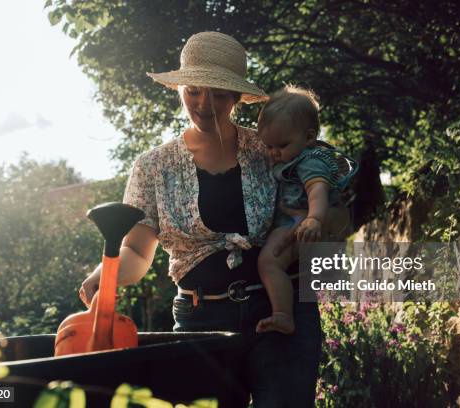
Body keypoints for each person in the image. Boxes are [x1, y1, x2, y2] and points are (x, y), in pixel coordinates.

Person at [78, 32, 321, 408]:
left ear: (238, 96)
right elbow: (137, 253)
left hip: (279, 314)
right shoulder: (152, 167)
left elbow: (325, 182)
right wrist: (104, 274)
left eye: (219, 94)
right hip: (200, 321)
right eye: (193, 91)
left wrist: (325, 217)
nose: (204, 104)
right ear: (180, 88)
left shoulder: (270, 147)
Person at [255, 85, 341, 335]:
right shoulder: (293, 156)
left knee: (269, 262)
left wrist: (313, 219)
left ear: (309, 137)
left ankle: (282, 314)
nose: (274, 153)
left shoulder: (310, 161)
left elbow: (317, 190)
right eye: (269, 146)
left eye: (281, 145)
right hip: (295, 223)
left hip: (297, 226)